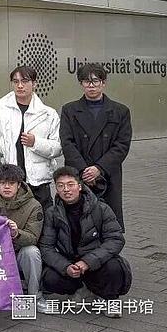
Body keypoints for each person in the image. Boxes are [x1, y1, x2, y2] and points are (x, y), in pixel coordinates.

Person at [39, 166, 132, 317]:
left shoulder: (101, 208)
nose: (66, 190)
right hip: (70, 262)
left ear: (80, 186)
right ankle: (80, 289)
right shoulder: (52, 213)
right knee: (50, 278)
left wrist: (88, 262)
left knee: (115, 268)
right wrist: (66, 267)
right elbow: (46, 247)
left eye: (70, 184)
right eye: (60, 186)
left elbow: (115, 239)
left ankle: (109, 298)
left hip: (96, 261)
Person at [59, 63, 131, 229]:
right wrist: (84, 170)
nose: (91, 85)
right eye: (86, 81)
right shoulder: (69, 110)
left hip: (108, 174)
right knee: (78, 222)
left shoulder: (120, 111)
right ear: (81, 84)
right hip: (79, 173)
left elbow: (122, 144)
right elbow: (67, 142)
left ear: (103, 83)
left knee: (108, 222)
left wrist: (99, 168)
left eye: (95, 81)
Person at [0, 66, 62, 210]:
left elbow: (58, 148)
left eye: (25, 81)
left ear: (34, 84)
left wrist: (35, 143)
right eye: (16, 82)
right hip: (8, 182)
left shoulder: (48, 114)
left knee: (43, 220)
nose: (20, 86)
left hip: (38, 183)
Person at [0, 164, 45, 312]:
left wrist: (16, 233)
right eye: (2, 183)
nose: (7, 187)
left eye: (11, 183)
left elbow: (33, 237)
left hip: (18, 252)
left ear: (19, 184)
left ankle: (35, 296)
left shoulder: (33, 205)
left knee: (32, 252)